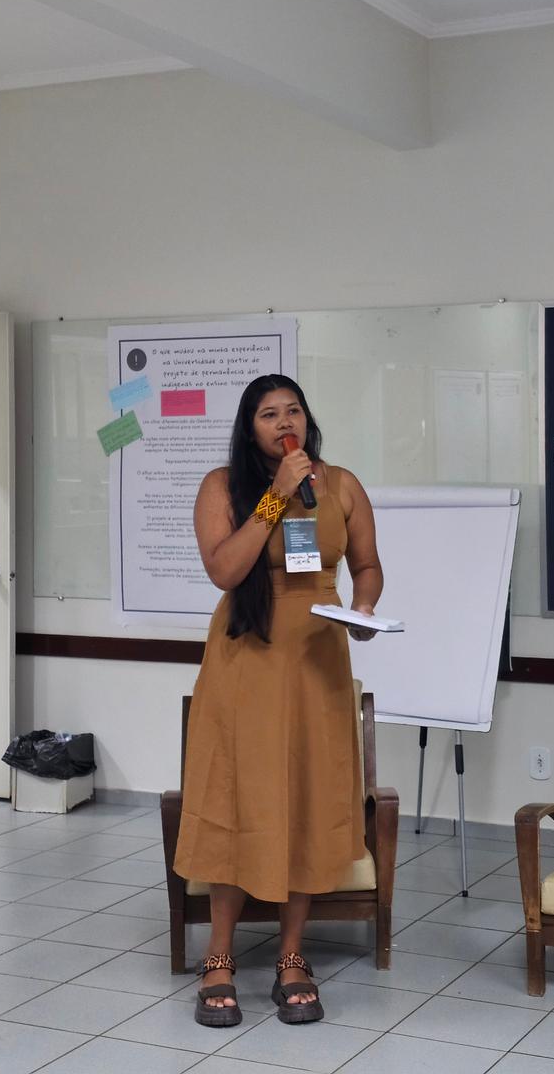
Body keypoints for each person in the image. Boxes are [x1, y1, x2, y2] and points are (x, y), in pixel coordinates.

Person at [172, 374, 383, 1027]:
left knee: (306, 799)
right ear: (249, 428)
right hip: (247, 662)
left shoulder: (340, 485)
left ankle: (293, 957)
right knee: (237, 799)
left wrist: (364, 608)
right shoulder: (223, 487)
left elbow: (367, 565)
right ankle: (219, 959)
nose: (284, 421)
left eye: (293, 410)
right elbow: (224, 570)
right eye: (269, 414)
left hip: (317, 663)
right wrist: (275, 497)